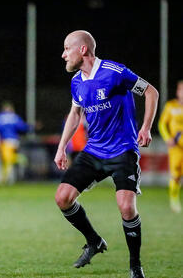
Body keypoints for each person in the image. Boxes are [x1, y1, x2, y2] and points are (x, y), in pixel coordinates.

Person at [53, 30, 158, 278]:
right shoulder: (76, 81)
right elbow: (75, 114)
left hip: (123, 151)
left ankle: (135, 267)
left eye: (67, 48)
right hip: (94, 151)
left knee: (126, 208)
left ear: (83, 50)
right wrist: (61, 147)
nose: (63, 54)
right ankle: (94, 241)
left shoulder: (115, 72)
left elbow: (151, 91)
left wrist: (145, 127)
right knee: (63, 198)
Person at [158, 80, 183, 213]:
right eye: (181, 89)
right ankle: (174, 200)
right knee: (176, 175)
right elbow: (162, 124)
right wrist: (168, 138)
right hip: (176, 148)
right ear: (178, 91)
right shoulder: (171, 106)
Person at [0, 101, 31, 184]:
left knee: (7, 159)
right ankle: (4, 179)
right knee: (6, 161)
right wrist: (32, 127)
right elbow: (23, 127)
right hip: (14, 140)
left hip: (6, 141)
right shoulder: (15, 117)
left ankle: (20, 158)